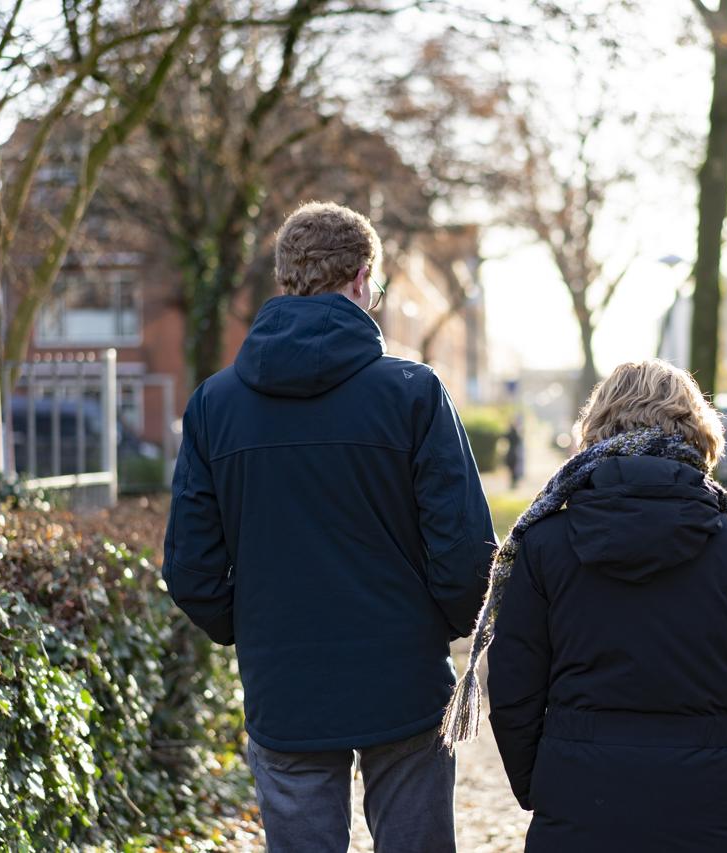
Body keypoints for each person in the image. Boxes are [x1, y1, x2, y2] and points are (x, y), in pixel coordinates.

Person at [163, 201, 495, 852]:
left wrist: (248, 625)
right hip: (402, 676)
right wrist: (439, 626)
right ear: (363, 279)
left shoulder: (214, 405)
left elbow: (191, 569)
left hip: (283, 682)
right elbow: (464, 551)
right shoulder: (414, 394)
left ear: (286, 278)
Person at [442, 358, 727, 852]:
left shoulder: (545, 546)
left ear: (595, 427)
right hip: (708, 808)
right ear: (698, 432)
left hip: (576, 804)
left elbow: (513, 691)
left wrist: (543, 787)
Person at [504, 416, 526, 490]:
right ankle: (513, 483)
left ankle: (513, 483)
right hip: (514, 453)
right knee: (513, 469)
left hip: (510, 452)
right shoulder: (517, 433)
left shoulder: (510, 433)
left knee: (511, 469)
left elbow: (504, 437)